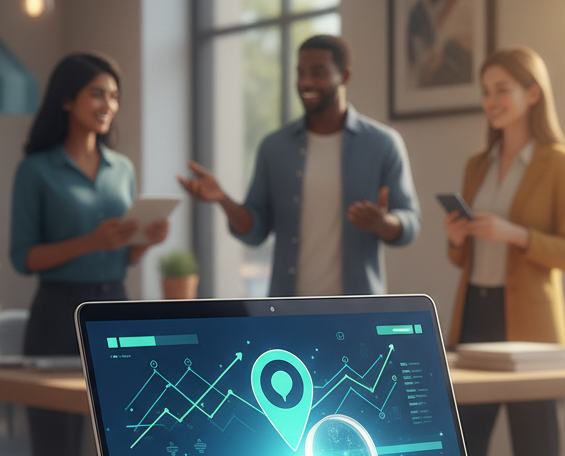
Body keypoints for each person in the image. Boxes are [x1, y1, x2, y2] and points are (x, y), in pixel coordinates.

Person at [10, 52, 169, 456]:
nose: (108, 104)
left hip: (114, 312)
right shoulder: (36, 170)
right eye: (98, 93)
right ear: (68, 99)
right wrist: (91, 242)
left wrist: (144, 244)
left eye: (114, 96)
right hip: (57, 312)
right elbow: (24, 257)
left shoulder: (122, 168)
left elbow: (118, 257)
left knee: (117, 454)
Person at [443, 46, 565, 456]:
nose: (491, 101)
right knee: (465, 455)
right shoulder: (476, 165)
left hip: (531, 329)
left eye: (501, 89)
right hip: (475, 318)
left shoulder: (560, 162)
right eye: (486, 92)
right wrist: (457, 237)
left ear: (532, 93)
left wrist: (516, 234)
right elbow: (458, 260)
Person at [178, 35, 420, 297]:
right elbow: (255, 231)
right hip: (288, 309)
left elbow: (410, 221)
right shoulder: (274, 147)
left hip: (358, 310)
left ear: (345, 76)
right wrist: (222, 199)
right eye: (300, 73)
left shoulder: (382, 144)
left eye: (318, 73)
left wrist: (383, 223)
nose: (306, 82)